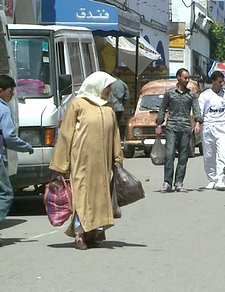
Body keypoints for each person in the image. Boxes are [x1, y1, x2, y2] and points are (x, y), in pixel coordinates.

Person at [49, 72, 123, 250]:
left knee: (99, 199)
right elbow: (66, 134)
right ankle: (79, 234)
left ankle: (94, 233)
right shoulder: (78, 104)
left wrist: (117, 159)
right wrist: (60, 164)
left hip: (102, 164)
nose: (109, 90)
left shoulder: (108, 107)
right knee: (82, 198)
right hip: (81, 162)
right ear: (97, 85)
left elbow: (115, 135)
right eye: (107, 87)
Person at [156, 68, 202, 193]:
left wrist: (198, 123)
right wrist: (159, 124)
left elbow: (196, 109)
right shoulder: (170, 93)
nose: (187, 80)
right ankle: (167, 182)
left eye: (188, 78)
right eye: (185, 78)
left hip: (186, 128)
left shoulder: (191, 94)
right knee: (169, 155)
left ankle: (179, 182)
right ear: (178, 77)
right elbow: (162, 109)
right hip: (172, 127)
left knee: (183, 157)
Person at [0, 75, 34, 222]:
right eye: (10, 90)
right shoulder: (3, 109)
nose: (12, 94)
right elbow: (9, 136)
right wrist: (26, 147)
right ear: (0, 91)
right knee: (5, 194)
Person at [199, 71, 225, 191]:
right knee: (209, 155)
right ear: (213, 81)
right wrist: (198, 124)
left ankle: (220, 180)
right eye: (219, 81)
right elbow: (200, 112)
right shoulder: (205, 95)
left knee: (222, 155)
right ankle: (211, 179)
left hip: (222, 128)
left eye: (223, 81)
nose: (222, 84)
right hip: (209, 127)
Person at [109, 68, 130, 132]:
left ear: (113, 74)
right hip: (119, 107)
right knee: (117, 123)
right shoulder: (123, 84)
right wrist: (122, 102)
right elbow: (127, 97)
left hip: (109, 107)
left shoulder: (109, 83)